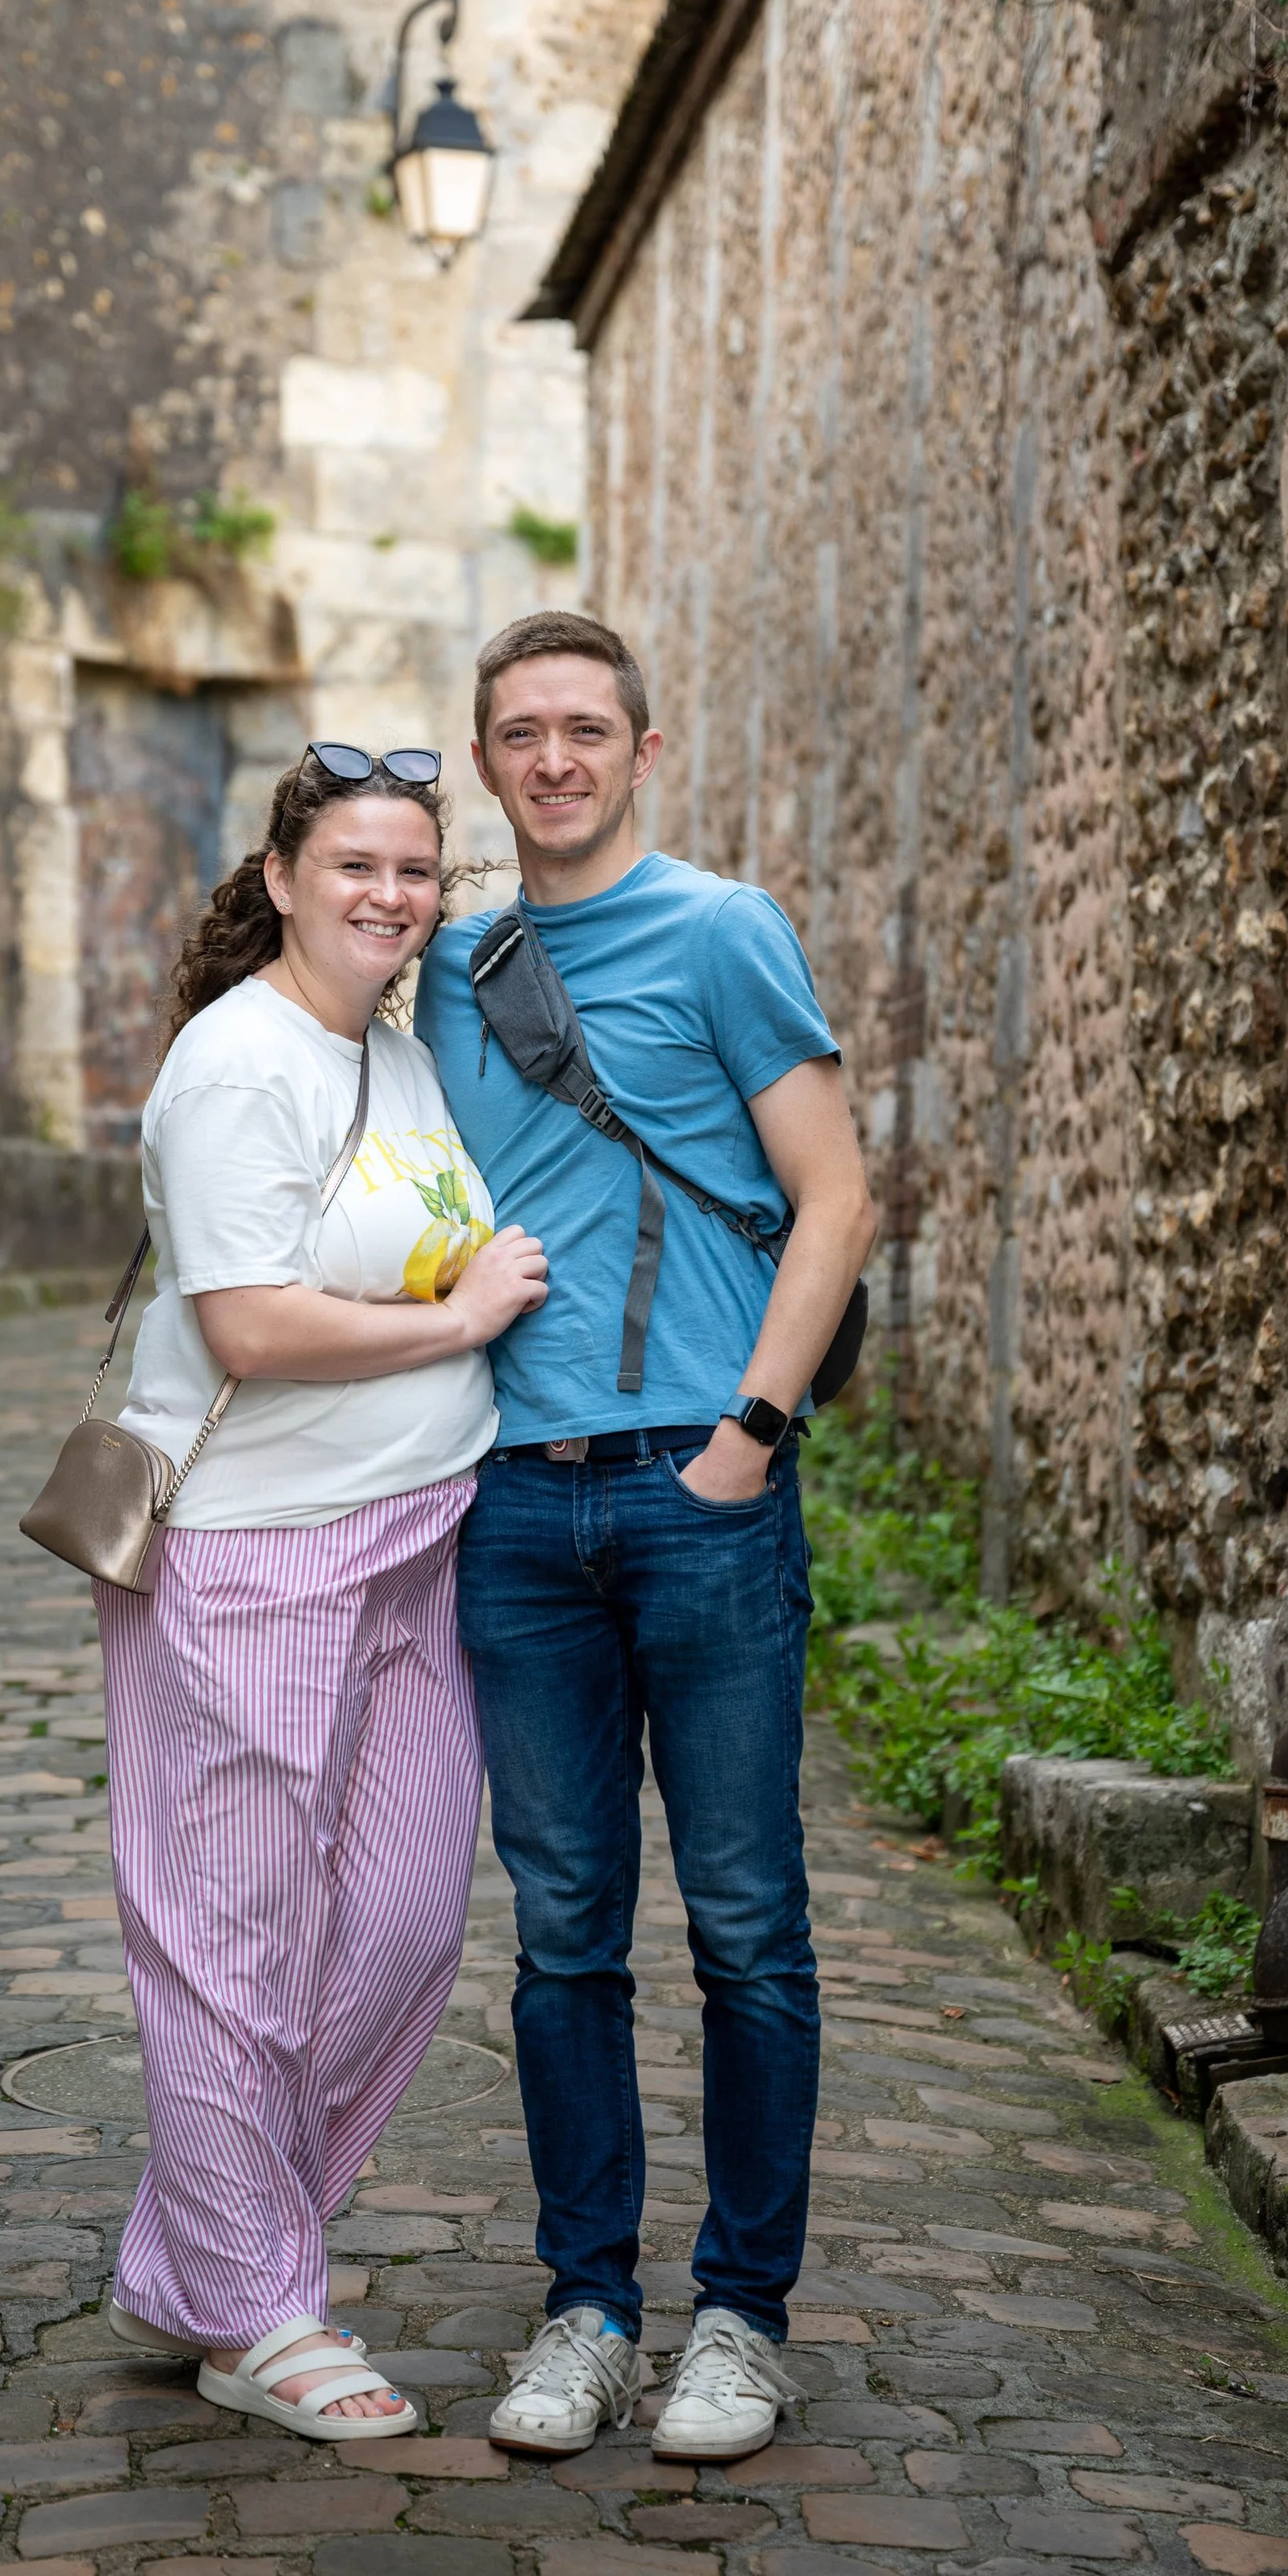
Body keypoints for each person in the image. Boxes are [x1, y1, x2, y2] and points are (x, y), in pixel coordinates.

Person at [415, 613, 877, 2462]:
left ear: (639, 746)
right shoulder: (447, 968)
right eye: (519, 734)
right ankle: (587, 2307)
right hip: (510, 1504)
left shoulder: (719, 930)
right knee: (561, 1935)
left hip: (701, 1495)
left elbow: (833, 1192)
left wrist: (747, 1442)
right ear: (484, 759)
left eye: (583, 730)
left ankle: (741, 2321)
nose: (553, 760)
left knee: (749, 1927)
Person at [96, 743, 548, 2441]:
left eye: (416, 871)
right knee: (230, 1942)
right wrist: (462, 1320)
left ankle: (199, 2247)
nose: (388, 894)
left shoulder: (404, 1058)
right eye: (355, 863)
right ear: (281, 876)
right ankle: (251, 2309)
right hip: (250, 1551)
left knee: (404, 1926)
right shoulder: (237, 1069)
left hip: (412, 1540)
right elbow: (251, 1327)